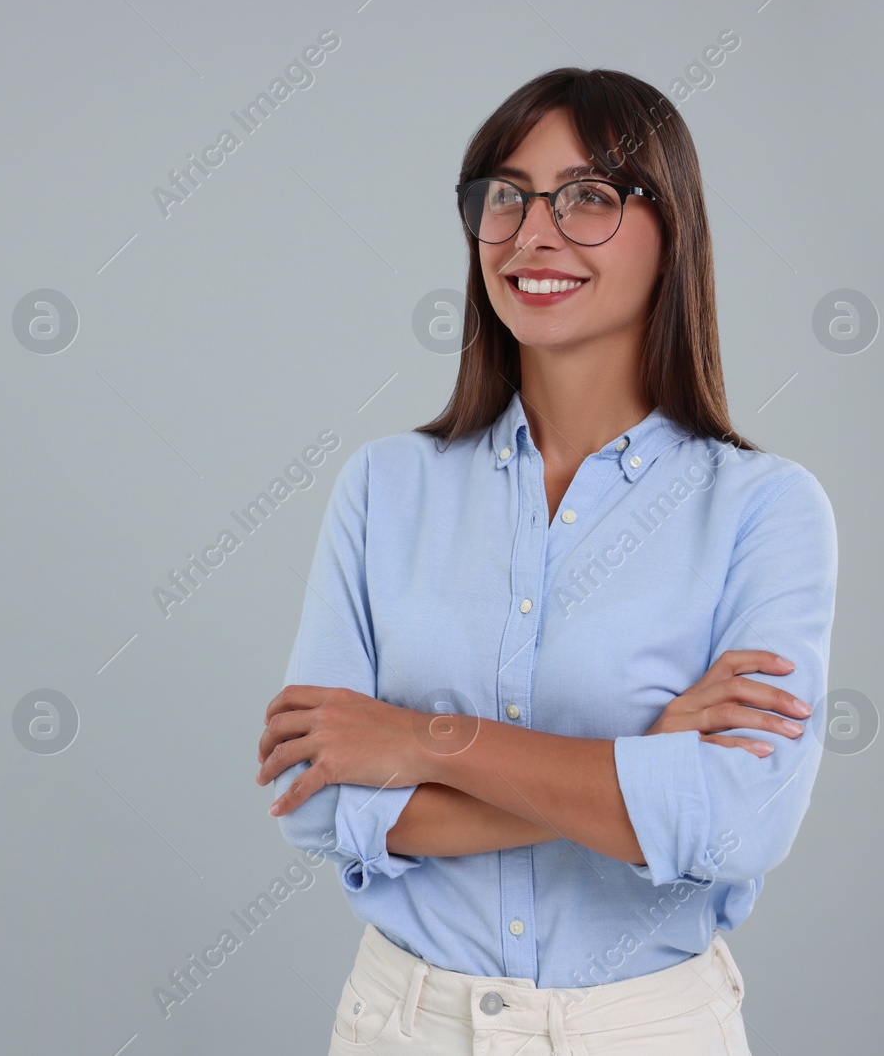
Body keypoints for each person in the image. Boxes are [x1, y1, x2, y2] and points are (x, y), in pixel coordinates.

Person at [255, 67, 838, 1055]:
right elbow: (316, 802)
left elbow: (736, 828)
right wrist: (642, 765)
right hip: (403, 1027)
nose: (533, 232)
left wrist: (421, 739)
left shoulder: (764, 509)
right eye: (504, 197)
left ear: (673, 228)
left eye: (588, 197)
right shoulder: (383, 486)